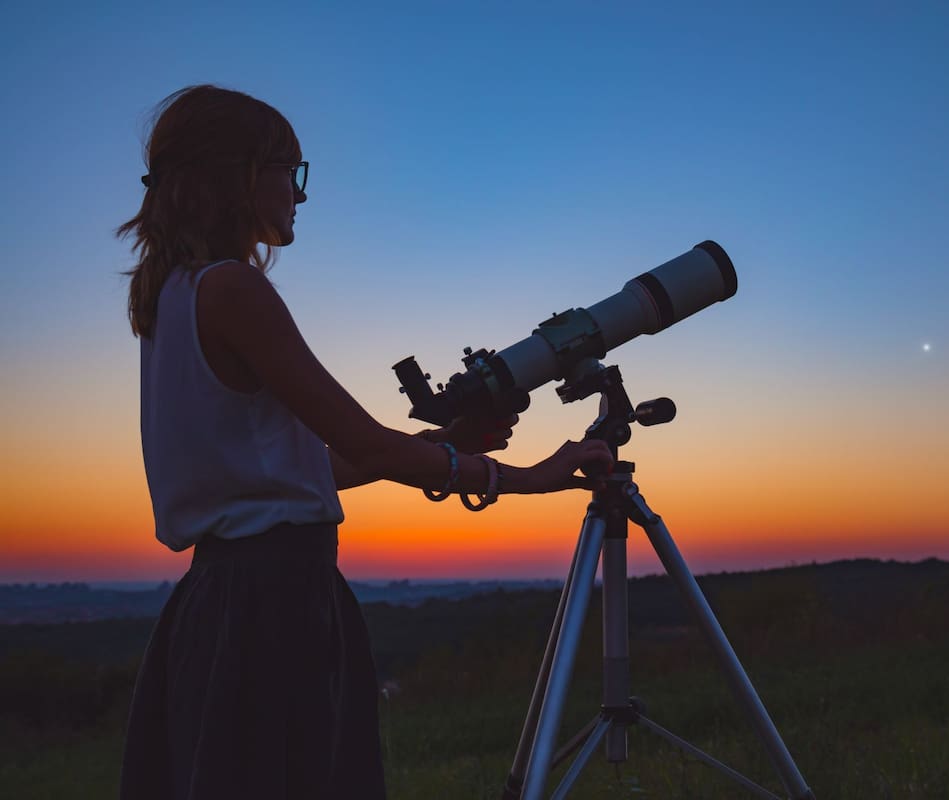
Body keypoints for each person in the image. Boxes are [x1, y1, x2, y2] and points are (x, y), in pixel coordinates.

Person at [117, 84, 614, 800]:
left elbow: (302, 466)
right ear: (237, 176)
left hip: (222, 595)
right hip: (277, 598)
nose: (299, 194)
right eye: (290, 171)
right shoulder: (234, 291)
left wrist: (440, 439)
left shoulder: (171, 295)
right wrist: (530, 477)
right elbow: (368, 447)